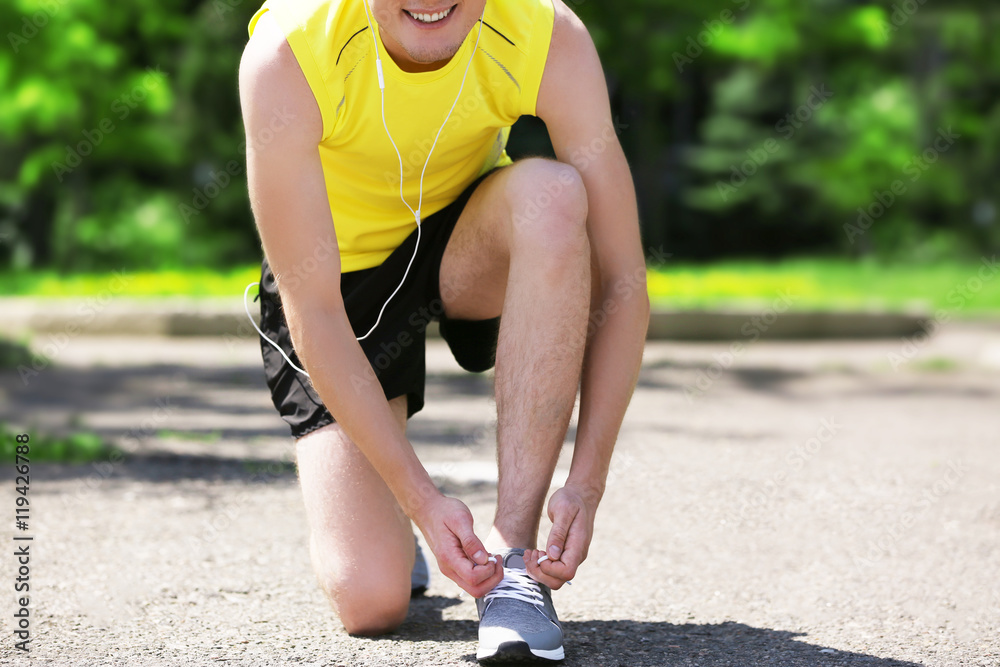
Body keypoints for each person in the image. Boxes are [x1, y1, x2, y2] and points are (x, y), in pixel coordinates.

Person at [239, 0, 648, 661]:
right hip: (337, 286)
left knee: (553, 195)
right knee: (370, 599)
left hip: (466, 241)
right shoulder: (288, 51)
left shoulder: (547, 33)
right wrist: (421, 499)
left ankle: (513, 571)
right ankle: (396, 522)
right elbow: (310, 308)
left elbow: (625, 280)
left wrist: (588, 480)